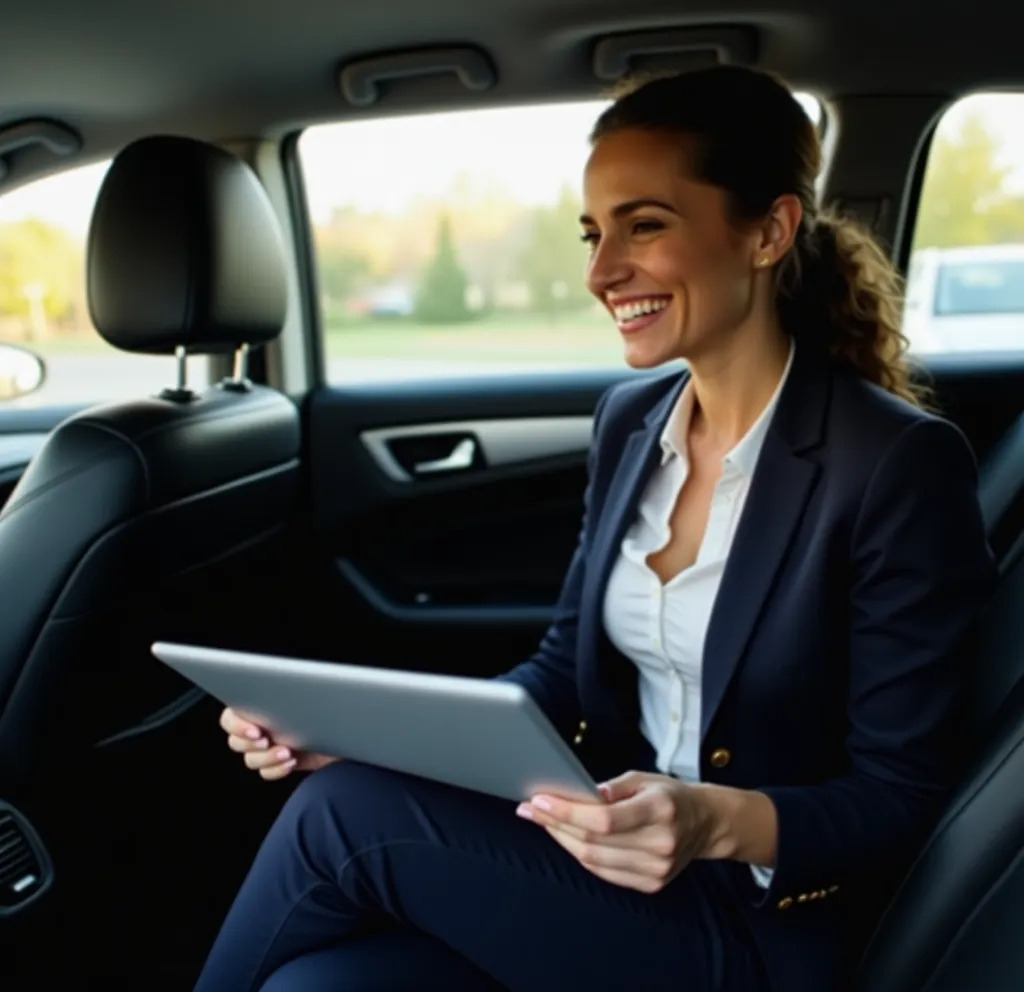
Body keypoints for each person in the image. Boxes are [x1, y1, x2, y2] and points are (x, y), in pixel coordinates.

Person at [197, 66, 996, 992]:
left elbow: (905, 797)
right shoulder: (631, 420)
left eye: (645, 225)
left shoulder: (894, 462)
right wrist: (360, 734)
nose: (600, 271)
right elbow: (562, 671)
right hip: (610, 869)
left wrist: (711, 821)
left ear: (769, 231)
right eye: (593, 232)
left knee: (343, 816)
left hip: (768, 924)